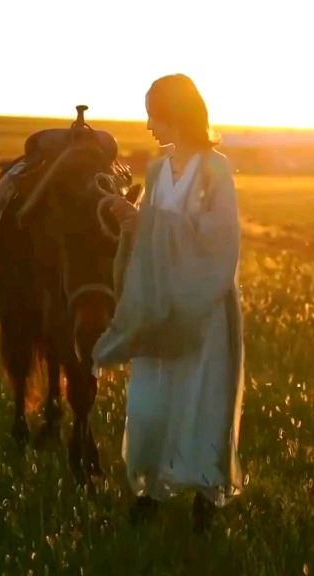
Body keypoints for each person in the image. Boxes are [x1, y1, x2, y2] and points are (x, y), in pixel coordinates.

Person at [92, 73, 245, 533]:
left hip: (202, 303)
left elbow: (219, 241)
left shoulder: (215, 170)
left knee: (202, 397)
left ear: (175, 115)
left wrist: (153, 224)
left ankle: (205, 494)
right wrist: (134, 221)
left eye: (153, 115)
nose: (148, 126)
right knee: (152, 399)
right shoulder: (157, 171)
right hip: (159, 301)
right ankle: (151, 489)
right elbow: (156, 230)